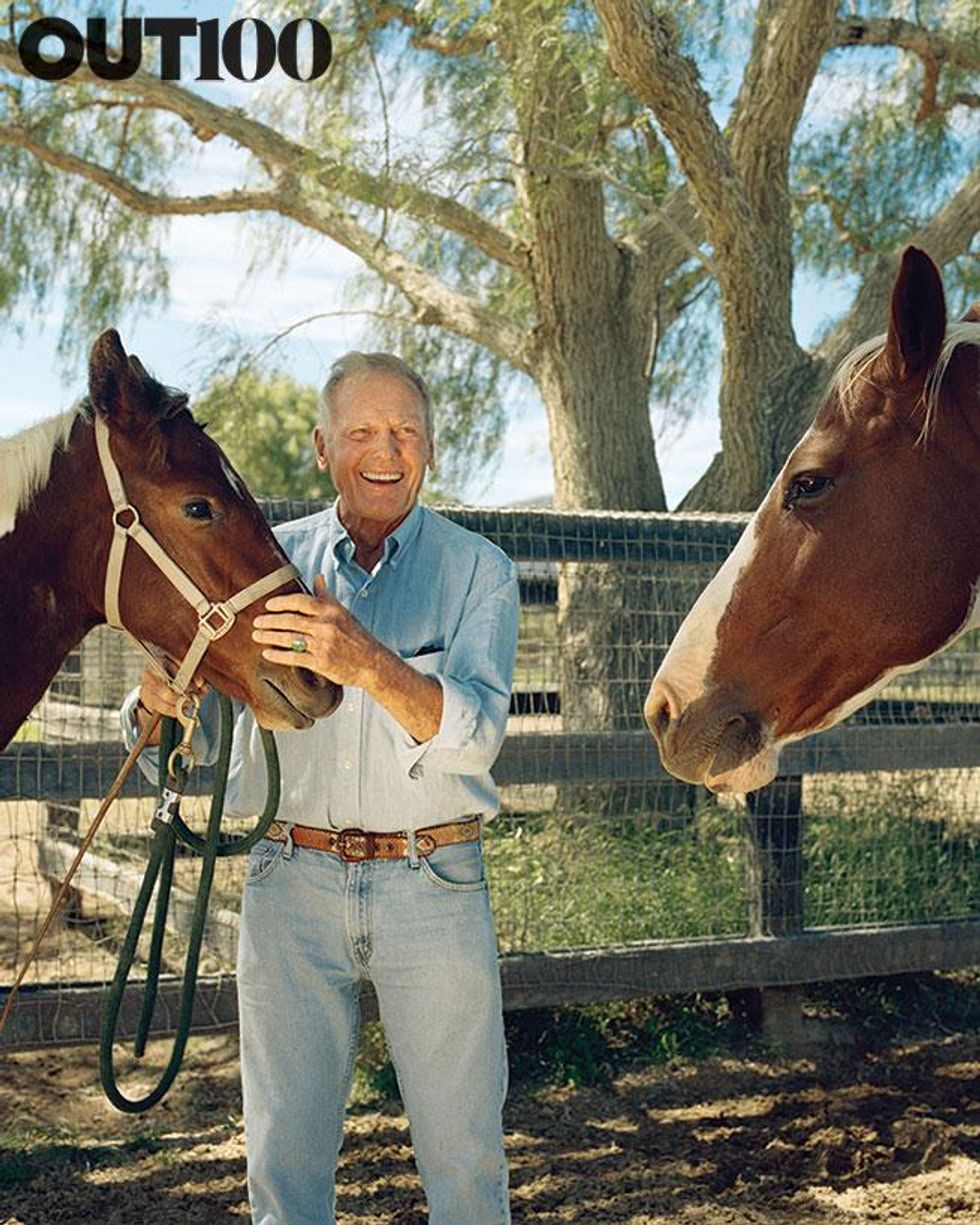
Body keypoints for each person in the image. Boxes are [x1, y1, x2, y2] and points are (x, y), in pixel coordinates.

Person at [123, 352, 519, 1225]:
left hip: (432, 882)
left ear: (430, 447)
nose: (388, 451)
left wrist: (368, 662)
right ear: (321, 447)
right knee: (284, 1158)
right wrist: (155, 708)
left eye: (406, 431)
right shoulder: (263, 562)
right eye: (363, 432)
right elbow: (185, 741)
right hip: (288, 881)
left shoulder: (478, 571)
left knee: (463, 1157)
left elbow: (478, 737)